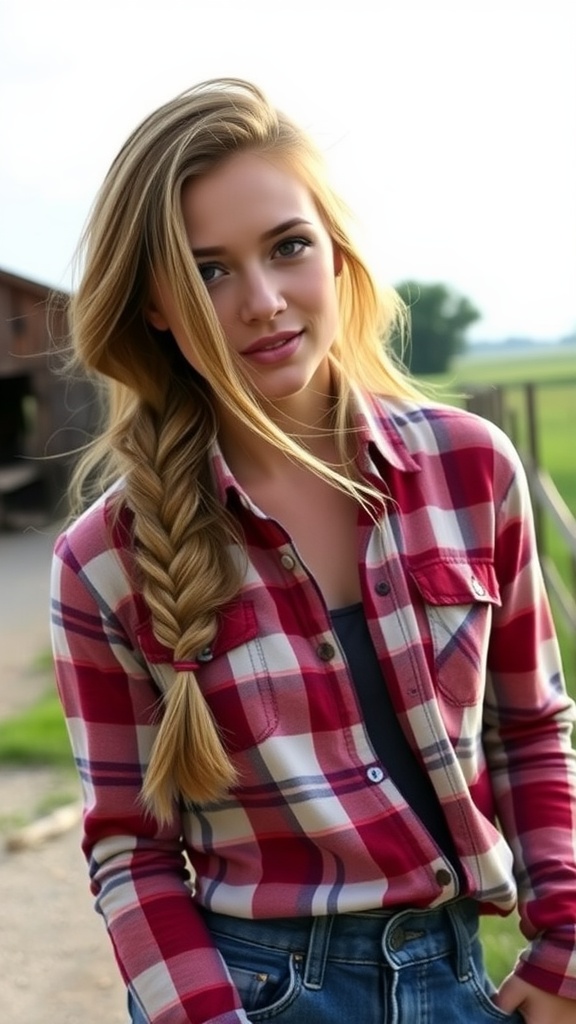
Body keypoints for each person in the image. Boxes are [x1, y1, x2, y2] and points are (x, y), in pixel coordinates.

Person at [50, 78, 576, 1024]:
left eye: (287, 247)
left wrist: (567, 945)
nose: (262, 301)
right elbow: (130, 850)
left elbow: (529, 729)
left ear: (335, 255)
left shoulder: (470, 471)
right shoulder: (105, 561)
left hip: (463, 984)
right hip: (249, 996)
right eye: (208, 270)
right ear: (157, 305)